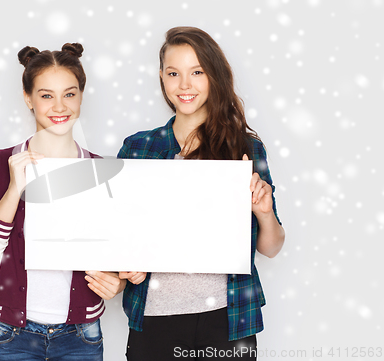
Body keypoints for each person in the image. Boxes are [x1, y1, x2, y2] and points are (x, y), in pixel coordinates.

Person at [118, 27, 285, 361]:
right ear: (162, 77)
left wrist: (264, 211)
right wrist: (125, 266)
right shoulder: (138, 148)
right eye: (174, 73)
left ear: (214, 76)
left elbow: (271, 247)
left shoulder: (245, 148)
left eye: (197, 72)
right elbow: (121, 237)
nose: (185, 85)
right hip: (154, 317)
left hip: (228, 318)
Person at [0, 43, 126, 361]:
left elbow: (120, 256)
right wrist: (14, 190)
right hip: (13, 334)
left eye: (69, 93)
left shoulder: (102, 171)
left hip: (81, 333)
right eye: (46, 95)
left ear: (81, 96)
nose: (59, 106)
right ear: (28, 98)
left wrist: (117, 283)